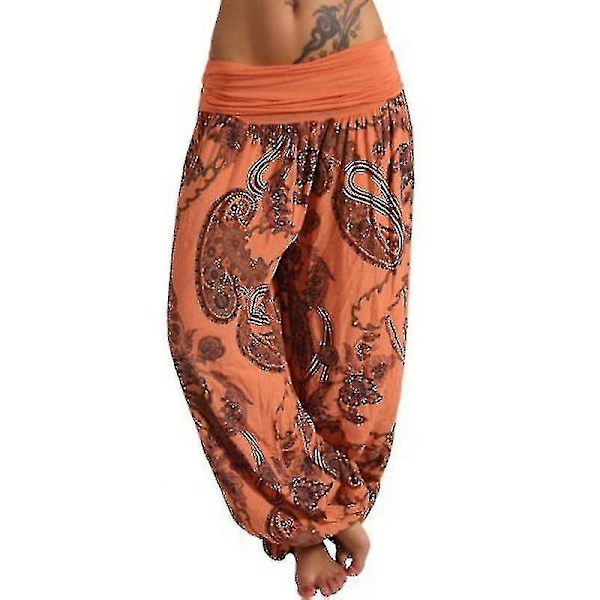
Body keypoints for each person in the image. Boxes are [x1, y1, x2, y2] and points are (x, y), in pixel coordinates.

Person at [167, 1, 414, 597]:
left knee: (352, 341)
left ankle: (332, 508)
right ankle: (312, 510)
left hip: (360, 102)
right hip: (245, 111)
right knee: (205, 332)